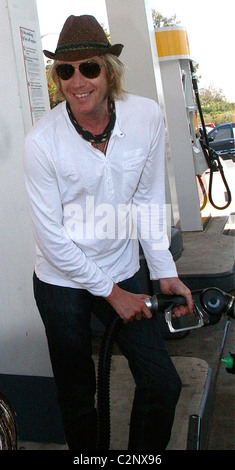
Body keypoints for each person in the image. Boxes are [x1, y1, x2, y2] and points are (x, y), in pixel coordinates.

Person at [24, 15, 194, 450]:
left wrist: (163, 270)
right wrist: (111, 294)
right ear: (57, 77)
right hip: (62, 280)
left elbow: (150, 201)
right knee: (79, 398)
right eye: (65, 70)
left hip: (121, 266)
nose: (77, 81)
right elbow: (53, 239)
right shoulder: (42, 142)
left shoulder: (145, 117)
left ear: (109, 70)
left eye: (89, 68)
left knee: (161, 382)